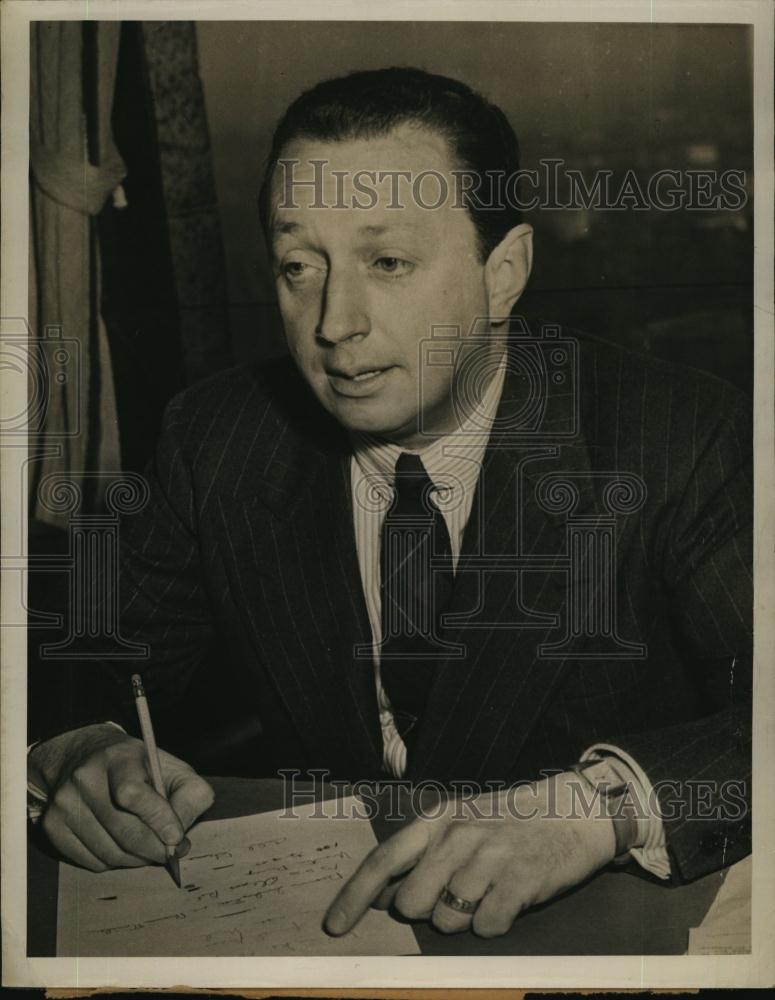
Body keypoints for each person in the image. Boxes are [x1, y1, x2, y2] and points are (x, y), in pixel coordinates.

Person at [27, 67, 752, 940]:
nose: (334, 323)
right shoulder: (216, 435)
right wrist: (79, 746)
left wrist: (597, 806)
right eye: (299, 267)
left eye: (388, 262)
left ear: (503, 272)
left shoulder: (680, 434)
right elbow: (90, 659)